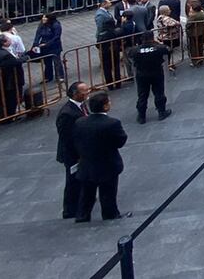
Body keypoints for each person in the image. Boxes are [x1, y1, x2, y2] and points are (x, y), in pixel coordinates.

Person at [73, 92, 129, 222]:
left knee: (86, 194)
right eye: (108, 102)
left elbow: (76, 140)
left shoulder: (80, 122)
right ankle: (110, 215)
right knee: (108, 193)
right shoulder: (112, 123)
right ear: (104, 106)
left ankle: (82, 216)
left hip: (87, 164)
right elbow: (120, 141)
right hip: (107, 165)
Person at [56, 81, 89, 219]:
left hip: (82, 150)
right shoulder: (67, 114)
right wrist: (78, 155)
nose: (87, 93)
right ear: (75, 94)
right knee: (72, 181)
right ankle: (69, 210)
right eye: (84, 92)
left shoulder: (81, 106)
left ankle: (82, 200)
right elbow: (66, 138)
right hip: (73, 154)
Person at [125, 33, 174, 124]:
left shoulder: (135, 50)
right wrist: (158, 43)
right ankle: (161, 112)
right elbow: (169, 50)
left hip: (141, 75)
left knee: (142, 95)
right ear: (152, 38)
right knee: (159, 93)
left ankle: (141, 116)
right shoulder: (159, 48)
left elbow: (129, 55)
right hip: (156, 73)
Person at [0, 35, 26, 123]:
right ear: (3, 43)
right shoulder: (5, 55)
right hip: (8, 81)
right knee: (11, 99)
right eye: (8, 40)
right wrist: (24, 58)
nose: (10, 40)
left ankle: (5, 117)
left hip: (0, 81)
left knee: (4, 99)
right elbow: (14, 62)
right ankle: (9, 117)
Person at [32, 13, 64, 84]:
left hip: (54, 46)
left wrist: (47, 44)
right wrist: (35, 44)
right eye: (43, 17)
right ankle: (48, 77)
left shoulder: (56, 25)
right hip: (44, 46)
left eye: (45, 18)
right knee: (47, 62)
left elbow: (56, 37)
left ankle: (60, 76)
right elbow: (38, 34)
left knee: (57, 61)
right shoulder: (42, 24)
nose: (43, 19)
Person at [154, 5, 182, 72]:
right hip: (167, 38)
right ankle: (167, 65)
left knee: (168, 52)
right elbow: (172, 24)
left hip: (166, 37)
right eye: (169, 10)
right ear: (165, 11)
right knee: (167, 52)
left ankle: (168, 64)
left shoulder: (161, 17)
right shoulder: (165, 18)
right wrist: (177, 23)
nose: (170, 11)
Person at [185, 2, 204, 67]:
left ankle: (195, 61)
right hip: (201, 32)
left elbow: (188, 24)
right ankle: (201, 59)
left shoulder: (193, 16)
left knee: (194, 47)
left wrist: (190, 15)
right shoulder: (202, 13)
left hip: (194, 33)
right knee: (200, 46)